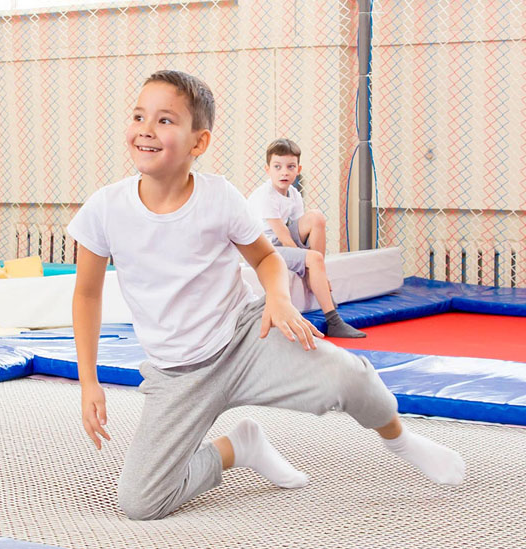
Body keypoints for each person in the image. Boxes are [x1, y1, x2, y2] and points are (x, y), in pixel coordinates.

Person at [68, 70, 465, 521]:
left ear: (198, 143)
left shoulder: (219, 198)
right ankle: (240, 447)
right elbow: (86, 295)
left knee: (347, 378)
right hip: (176, 374)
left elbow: (266, 259)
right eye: (139, 115)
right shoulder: (105, 209)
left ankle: (400, 440)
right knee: (140, 504)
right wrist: (88, 381)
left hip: (244, 340)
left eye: (164, 120)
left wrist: (278, 298)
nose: (145, 128)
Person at [249, 138, 365, 338]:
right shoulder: (265, 195)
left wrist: (315, 264)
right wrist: (309, 259)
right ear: (268, 170)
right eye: (277, 167)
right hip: (264, 248)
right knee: (313, 258)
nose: (284, 172)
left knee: (316, 217)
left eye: (290, 167)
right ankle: (333, 320)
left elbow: (300, 226)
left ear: (298, 169)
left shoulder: (293, 193)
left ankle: (316, 271)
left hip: (280, 241)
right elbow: (283, 235)